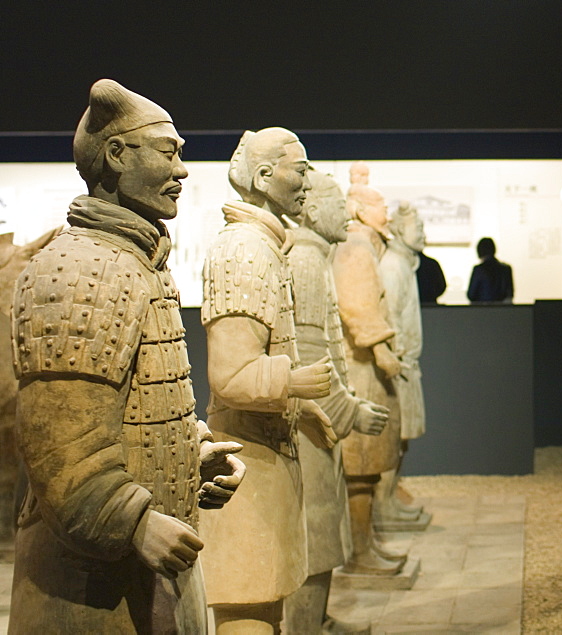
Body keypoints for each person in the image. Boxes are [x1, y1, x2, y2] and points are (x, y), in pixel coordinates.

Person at [9, 79, 245, 632]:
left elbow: (133, 406)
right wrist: (136, 521)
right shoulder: (76, 271)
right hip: (89, 582)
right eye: (170, 151)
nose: (183, 169)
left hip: (151, 564)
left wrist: (192, 452)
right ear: (117, 155)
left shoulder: (138, 260)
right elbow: (60, 447)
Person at [199, 127, 335, 633]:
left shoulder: (264, 245)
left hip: (265, 450)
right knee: (248, 603)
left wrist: (300, 407)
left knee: (265, 601)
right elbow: (231, 376)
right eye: (300, 170)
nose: (307, 181)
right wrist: (296, 384)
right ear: (263, 175)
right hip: (247, 461)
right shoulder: (244, 251)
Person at [283, 169, 390, 632]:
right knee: (319, 530)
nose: (343, 213)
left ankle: (318, 621)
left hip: (320, 419)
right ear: (309, 209)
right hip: (312, 421)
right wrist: (349, 412)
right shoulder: (307, 262)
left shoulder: (317, 257)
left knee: (324, 529)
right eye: (334, 204)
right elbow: (309, 355)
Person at [332, 183, 408, 574]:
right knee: (360, 466)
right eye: (381, 203)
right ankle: (360, 553)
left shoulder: (368, 245)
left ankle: (367, 544)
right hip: (361, 369)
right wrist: (380, 350)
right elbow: (355, 302)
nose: (387, 211)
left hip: (368, 366)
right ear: (360, 209)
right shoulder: (356, 247)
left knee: (368, 465)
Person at [378, 202, 431, 527]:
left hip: (407, 364)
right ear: (398, 229)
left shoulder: (404, 263)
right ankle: (383, 505)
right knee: (394, 438)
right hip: (399, 365)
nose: (423, 232)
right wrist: (396, 358)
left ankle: (390, 499)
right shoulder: (393, 266)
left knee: (403, 439)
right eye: (418, 226)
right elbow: (390, 316)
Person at [467, 237, 513, 303]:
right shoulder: (506, 269)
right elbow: (509, 294)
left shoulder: (478, 270)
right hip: (502, 310)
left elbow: (471, 295)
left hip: (483, 310)